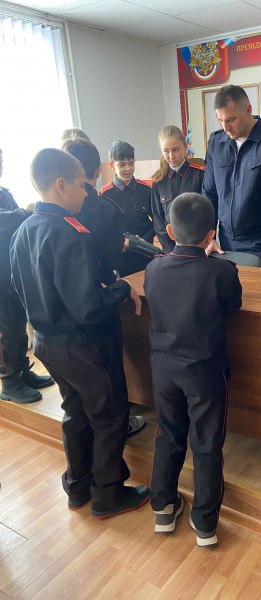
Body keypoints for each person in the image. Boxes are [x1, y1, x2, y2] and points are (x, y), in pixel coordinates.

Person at [10, 148, 149, 517]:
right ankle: (108, 493)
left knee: (75, 410)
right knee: (109, 415)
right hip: (82, 346)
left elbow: (19, 287)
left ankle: (78, 484)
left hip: (45, 342)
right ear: (61, 185)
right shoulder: (70, 233)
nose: (86, 194)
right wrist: (120, 289)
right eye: (81, 187)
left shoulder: (23, 230)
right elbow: (88, 308)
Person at [144, 193, 242, 546]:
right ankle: (205, 524)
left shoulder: (154, 268)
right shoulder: (222, 271)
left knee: (168, 434)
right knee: (206, 443)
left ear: (170, 231)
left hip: (163, 368)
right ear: (211, 234)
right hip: (203, 371)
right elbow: (233, 306)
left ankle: (163, 507)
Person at [62, 137, 146, 438]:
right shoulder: (103, 208)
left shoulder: (46, 215)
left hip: (63, 319)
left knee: (75, 398)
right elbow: (112, 259)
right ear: (99, 170)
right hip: (101, 299)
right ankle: (120, 421)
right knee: (111, 366)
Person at [202, 85, 261, 274]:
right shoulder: (216, 142)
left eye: (231, 119)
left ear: (248, 109)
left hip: (257, 243)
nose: (226, 127)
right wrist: (208, 235)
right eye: (220, 120)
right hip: (223, 241)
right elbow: (209, 193)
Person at [0, 147, 54, 403]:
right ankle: (9, 382)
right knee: (5, 330)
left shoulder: (5, 193)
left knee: (19, 324)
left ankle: (22, 371)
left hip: (10, 269)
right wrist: (25, 213)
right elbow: (9, 220)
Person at [99, 140, 154, 276]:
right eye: (122, 164)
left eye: (131, 163)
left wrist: (144, 240)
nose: (128, 168)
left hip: (146, 252)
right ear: (112, 165)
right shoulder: (105, 194)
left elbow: (157, 221)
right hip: (121, 256)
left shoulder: (146, 190)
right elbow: (105, 228)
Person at [151, 125, 204, 253]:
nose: (171, 156)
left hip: (198, 245)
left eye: (175, 150)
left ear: (185, 146)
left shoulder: (200, 174)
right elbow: (158, 219)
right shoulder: (158, 181)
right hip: (170, 249)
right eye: (166, 151)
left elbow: (206, 213)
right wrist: (169, 248)